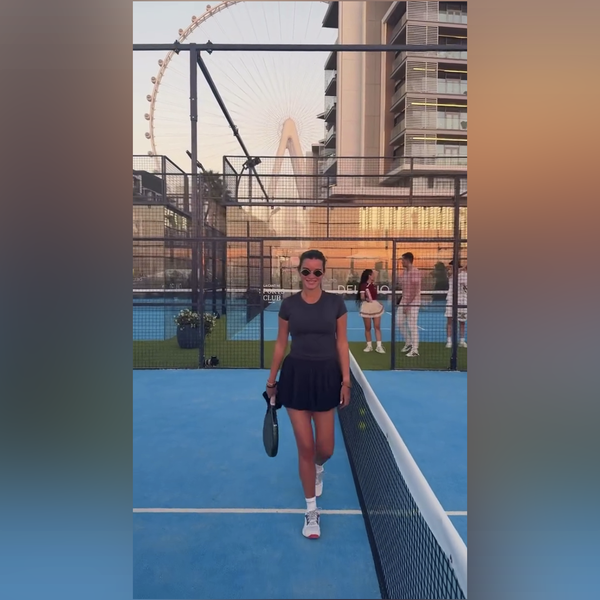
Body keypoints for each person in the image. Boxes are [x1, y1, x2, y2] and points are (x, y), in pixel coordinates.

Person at [265, 249, 350, 540]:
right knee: (305, 445)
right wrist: (272, 381)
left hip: (327, 378)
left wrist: (346, 381)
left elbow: (342, 344)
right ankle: (311, 511)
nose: (311, 276)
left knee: (325, 449)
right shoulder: (288, 305)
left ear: (323, 273)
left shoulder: (336, 304)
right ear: (298, 272)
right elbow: (280, 344)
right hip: (295, 378)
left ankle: (317, 467)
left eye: (317, 271)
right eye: (306, 271)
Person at [397, 252, 422, 357]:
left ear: (407, 260)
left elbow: (415, 290)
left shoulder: (415, 272)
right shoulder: (404, 272)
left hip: (413, 302)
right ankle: (408, 342)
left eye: (403, 260)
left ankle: (415, 350)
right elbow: (402, 285)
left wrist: (408, 304)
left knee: (412, 325)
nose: (401, 262)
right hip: (404, 300)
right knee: (399, 322)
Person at [356, 269, 385, 354]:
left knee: (377, 327)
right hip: (367, 307)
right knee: (368, 328)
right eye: (373, 274)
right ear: (369, 276)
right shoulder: (363, 285)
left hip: (375, 306)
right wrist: (366, 299)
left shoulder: (374, 285)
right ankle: (369, 346)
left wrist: (378, 302)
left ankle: (379, 346)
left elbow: (374, 297)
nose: (374, 276)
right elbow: (362, 297)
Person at [445, 260, 467, 348]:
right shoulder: (451, 274)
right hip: (451, 300)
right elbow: (450, 272)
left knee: (462, 321)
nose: (450, 267)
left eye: (452, 266)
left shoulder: (465, 275)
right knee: (449, 321)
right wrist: (462, 268)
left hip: (463, 301)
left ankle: (462, 341)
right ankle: (449, 341)